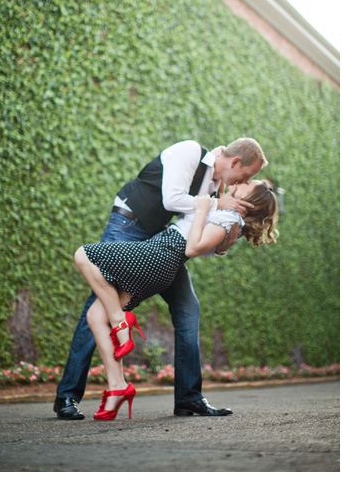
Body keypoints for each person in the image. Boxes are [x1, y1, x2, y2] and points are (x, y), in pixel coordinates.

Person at [54, 138, 267, 420]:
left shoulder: (215, 186)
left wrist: (225, 235)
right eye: (247, 175)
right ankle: (67, 395)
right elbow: (173, 199)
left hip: (160, 244)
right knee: (99, 309)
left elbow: (197, 228)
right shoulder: (190, 152)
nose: (245, 181)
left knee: (188, 309)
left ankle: (189, 398)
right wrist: (217, 204)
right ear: (235, 162)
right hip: (128, 225)